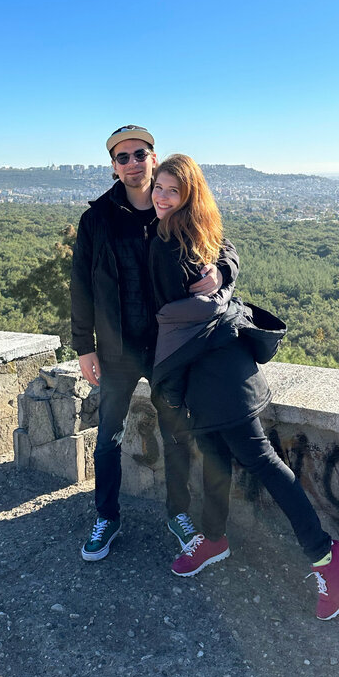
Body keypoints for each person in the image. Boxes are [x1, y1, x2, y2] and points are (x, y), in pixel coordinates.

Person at [149, 154, 339, 620]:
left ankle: (326, 554)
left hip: (214, 376)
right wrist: (223, 280)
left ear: (189, 196)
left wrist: (220, 279)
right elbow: (221, 264)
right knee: (215, 459)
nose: (162, 196)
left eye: (172, 190)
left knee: (260, 460)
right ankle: (214, 539)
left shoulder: (174, 243)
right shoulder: (187, 231)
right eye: (159, 187)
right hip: (216, 370)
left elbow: (179, 321)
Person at [70, 126, 239, 562]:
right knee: (108, 437)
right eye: (122, 157)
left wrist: (221, 272)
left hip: (170, 349)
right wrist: (83, 346)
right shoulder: (97, 219)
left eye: (139, 154)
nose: (132, 163)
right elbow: (81, 286)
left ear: (153, 157)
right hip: (117, 348)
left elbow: (223, 247)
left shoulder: (175, 208)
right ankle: (106, 516)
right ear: (113, 166)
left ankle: (177, 514)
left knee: (176, 435)